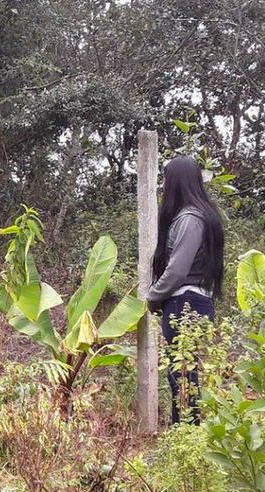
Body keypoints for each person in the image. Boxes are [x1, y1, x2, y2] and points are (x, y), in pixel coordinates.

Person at [147, 155, 225, 425]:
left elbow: (177, 271)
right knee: (185, 378)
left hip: (184, 304)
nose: (164, 186)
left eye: (166, 180)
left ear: (176, 182)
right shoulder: (204, 216)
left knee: (181, 379)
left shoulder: (190, 219)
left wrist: (153, 296)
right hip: (198, 302)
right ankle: (185, 435)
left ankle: (184, 434)